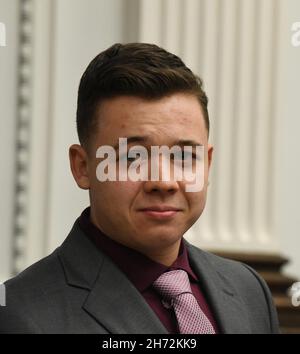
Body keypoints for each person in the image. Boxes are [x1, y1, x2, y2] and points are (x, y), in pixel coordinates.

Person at [0, 43, 279, 334]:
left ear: (207, 164)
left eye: (184, 156)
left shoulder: (249, 291)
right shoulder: (19, 316)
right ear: (83, 167)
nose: (164, 182)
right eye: (133, 157)